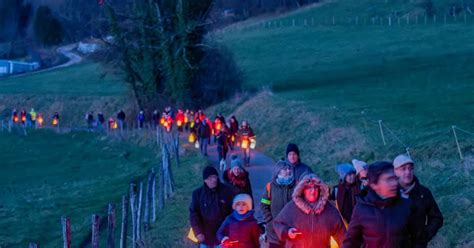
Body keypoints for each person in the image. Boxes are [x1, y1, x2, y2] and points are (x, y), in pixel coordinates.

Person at [342, 161, 417, 248]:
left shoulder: (406, 205)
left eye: (394, 178)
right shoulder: (362, 209)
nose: (394, 183)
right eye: (389, 179)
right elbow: (350, 242)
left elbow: (418, 237)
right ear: (374, 185)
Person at [273, 174, 346, 247]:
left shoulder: (330, 210)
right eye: (309, 188)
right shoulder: (292, 207)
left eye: (315, 187)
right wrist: (287, 232)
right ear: (302, 190)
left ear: (320, 189)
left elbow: (342, 236)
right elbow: (277, 223)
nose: (313, 191)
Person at [393, 154, 443, 248]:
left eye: (410, 168)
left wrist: (425, 235)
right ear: (395, 171)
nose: (408, 172)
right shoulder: (389, 194)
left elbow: (437, 217)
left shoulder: (423, 192)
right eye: (403, 169)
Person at [189, 166, 234, 248]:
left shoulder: (227, 191)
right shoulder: (197, 194)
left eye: (215, 176)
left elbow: (233, 213)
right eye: (210, 178)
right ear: (205, 180)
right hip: (205, 237)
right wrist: (198, 232)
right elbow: (194, 214)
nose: (214, 179)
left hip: (223, 237)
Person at [260, 161, 296, 248]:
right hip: (274, 234)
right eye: (284, 169)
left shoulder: (297, 185)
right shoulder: (270, 187)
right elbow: (264, 205)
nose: (288, 171)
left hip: (292, 231)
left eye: (289, 168)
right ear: (278, 171)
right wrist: (270, 221)